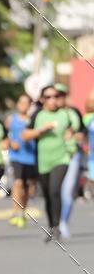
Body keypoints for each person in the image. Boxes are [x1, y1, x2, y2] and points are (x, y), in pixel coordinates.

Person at [22, 84, 78, 243]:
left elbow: (75, 130)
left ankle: (58, 226)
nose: (52, 99)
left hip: (61, 159)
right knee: (47, 194)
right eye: (48, 97)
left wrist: (72, 137)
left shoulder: (65, 114)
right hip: (42, 161)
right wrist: (40, 130)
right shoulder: (37, 116)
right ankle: (52, 226)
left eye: (55, 96)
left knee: (55, 190)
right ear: (42, 99)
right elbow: (25, 135)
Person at [55, 83, 85, 239]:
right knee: (53, 191)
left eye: (60, 95)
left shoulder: (74, 112)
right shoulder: (45, 114)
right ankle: (54, 222)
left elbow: (81, 132)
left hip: (71, 156)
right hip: (52, 157)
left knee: (67, 191)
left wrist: (77, 136)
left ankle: (63, 222)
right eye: (54, 96)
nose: (57, 99)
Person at [6, 93, 37, 228]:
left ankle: (22, 211)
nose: (23, 105)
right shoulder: (10, 119)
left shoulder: (32, 120)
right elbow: (4, 135)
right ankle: (14, 212)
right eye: (21, 102)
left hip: (30, 156)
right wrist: (10, 142)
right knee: (18, 183)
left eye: (26, 103)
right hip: (16, 155)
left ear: (30, 106)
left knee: (27, 186)